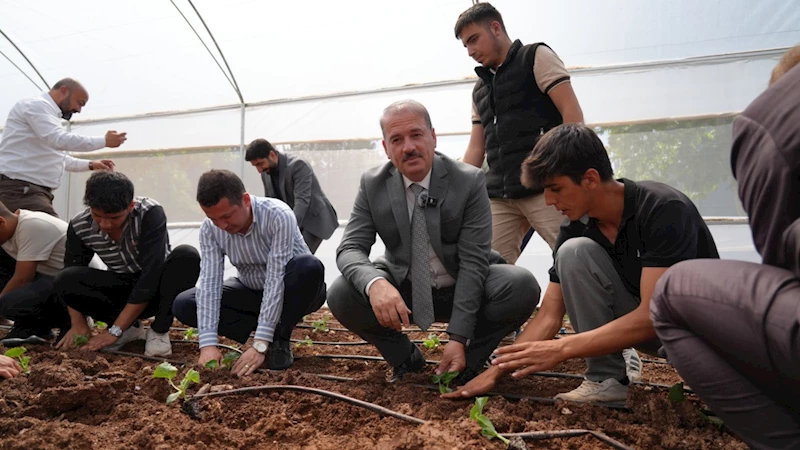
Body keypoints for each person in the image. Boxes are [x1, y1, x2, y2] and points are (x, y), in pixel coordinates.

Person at [445, 124, 719, 403]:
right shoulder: (576, 227)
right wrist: (495, 372)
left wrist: (563, 348)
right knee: (573, 252)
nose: (549, 201)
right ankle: (606, 380)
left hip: (701, 335)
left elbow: (652, 316)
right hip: (651, 333)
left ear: (590, 179)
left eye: (556, 189)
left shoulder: (662, 209)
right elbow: (549, 315)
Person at [327, 100, 539, 384]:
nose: (409, 147)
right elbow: (350, 248)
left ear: (433, 137)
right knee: (341, 293)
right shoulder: (372, 184)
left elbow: (473, 263)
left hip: (463, 286)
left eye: (416, 135)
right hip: (407, 290)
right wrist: (375, 283)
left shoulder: (468, 180)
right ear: (386, 148)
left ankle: (470, 361)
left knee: (520, 285)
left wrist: (459, 338)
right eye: (397, 140)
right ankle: (405, 358)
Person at [650, 51, 800, 449]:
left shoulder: (767, 117)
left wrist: (565, 346)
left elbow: (781, 262)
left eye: (556, 189)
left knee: (670, 293)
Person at [454, 3, 584, 264]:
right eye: (466, 45)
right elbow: (477, 149)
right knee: (484, 268)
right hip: (500, 197)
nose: (470, 51)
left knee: (576, 257)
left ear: (496, 28)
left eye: (474, 39)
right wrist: (455, 191)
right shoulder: (479, 89)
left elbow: (573, 116)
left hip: (546, 188)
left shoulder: (535, 56)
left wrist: (563, 176)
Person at [172, 170, 326, 376]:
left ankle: (280, 337)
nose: (222, 225)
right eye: (213, 218)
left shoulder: (278, 215)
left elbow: (276, 278)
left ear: (245, 200)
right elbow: (209, 282)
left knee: (309, 266)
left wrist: (260, 344)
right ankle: (270, 329)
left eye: (226, 216)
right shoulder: (210, 229)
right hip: (251, 289)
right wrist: (207, 344)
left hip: (294, 291)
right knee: (185, 304)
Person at [52, 171, 200, 357]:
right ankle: (130, 328)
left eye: (114, 218)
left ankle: (159, 330)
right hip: (121, 290)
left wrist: (115, 331)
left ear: (130, 206)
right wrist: (78, 323)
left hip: (158, 290)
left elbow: (151, 273)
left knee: (186, 256)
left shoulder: (149, 213)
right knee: (65, 279)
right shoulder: (80, 226)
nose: (105, 224)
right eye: (97, 216)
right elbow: (71, 271)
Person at [0, 78, 127, 217]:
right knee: (52, 231)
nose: (79, 110)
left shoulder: (46, 114)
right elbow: (58, 139)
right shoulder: (36, 105)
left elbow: (57, 158)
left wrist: (91, 165)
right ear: (64, 91)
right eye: (79, 103)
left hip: (28, 190)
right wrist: (104, 141)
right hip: (21, 190)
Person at [245, 139, 338, 254]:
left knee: (299, 257)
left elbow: (302, 202)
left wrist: (285, 230)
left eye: (260, 164)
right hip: (293, 218)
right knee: (283, 255)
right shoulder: (266, 172)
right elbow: (271, 203)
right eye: (255, 166)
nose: (259, 170)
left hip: (313, 219)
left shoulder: (298, 165)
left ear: (272, 155)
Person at [0, 201, 70, 346]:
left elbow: (23, 279)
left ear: (1, 222)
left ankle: (67, 324)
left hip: (73, 287)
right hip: (48, 279)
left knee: (10, 302)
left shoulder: (32, 226)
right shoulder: (9, 231)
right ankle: (30, 328)